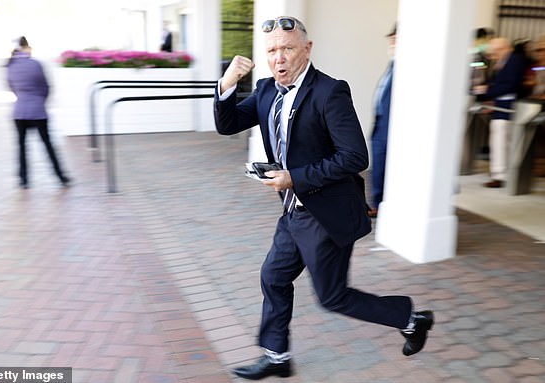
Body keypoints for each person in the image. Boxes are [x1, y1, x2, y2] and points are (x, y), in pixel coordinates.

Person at [214, 16, 434, 380]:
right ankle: (277, 356)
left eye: (287, 48)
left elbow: (354, 157)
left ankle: (411, 319)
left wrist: (293, 178)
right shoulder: (267, 90)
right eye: (272, 51)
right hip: (295, 212)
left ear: (307, 49)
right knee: (273, 277)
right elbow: (227, 124)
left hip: (326, 213)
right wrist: (226, 84)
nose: (279, 58)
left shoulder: (329, 92)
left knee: (333, 297)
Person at [7, 36, 70, 189]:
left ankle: (23, 180)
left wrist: (23, 98)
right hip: (38, 111)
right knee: (48, 145)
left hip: (19, 112)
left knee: (21, 146)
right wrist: (39, 100)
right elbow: (46, 87)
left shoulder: (10, 66)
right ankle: (61, 177)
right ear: (25, 48)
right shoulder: (35, 64)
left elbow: (11, 87)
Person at [474, 37, 526, 188]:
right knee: (500, 139)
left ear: (502, 48)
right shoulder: (503, 61)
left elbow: (511, 84)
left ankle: (501, 175)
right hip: (500, 104)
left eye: (494, 52)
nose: (492, 56)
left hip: (508, 105)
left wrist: (487, 92)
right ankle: (499, 173)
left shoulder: (514, 60)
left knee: (502, 140)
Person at [368, 24, 396, 218]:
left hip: (390, 126)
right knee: (378, 165)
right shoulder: (393, 64)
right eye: (391, 39)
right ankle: (378, 202)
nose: (392, 43)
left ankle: (381, 204)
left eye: (395, 39)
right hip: (381, 123)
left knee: (385, 166)